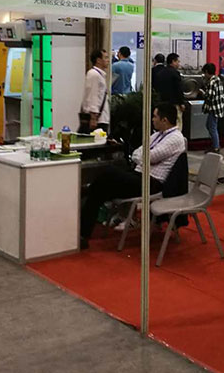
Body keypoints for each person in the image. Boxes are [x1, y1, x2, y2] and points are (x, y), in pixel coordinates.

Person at [79, 103, 185, 247]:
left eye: (155, 116)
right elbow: (137, 153)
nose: (152, 119)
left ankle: (87, 194)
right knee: (100, 188)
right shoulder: (157, 135)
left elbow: (148, 157)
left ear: (164, 120)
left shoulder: (175, 138)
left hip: (152, 182)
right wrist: (143, 157)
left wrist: (143, 157)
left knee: (109, 172)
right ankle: (83, 234)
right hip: (140, 175)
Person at [154, 52, 186, 132]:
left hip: (163, 102)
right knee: (177, 123)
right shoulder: (175, 73)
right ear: (173, 61)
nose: (178, 64)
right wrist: (181, 103)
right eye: (178, 61)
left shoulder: (161, 73)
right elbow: (178, 89)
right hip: (174, 103)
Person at [79, 49, 109, 134]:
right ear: (98, 60)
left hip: (101, 118)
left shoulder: (99, 75)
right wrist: (93, 118)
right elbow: (93, 96)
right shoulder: (94, 75)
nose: (108, 60)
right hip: (97, 119)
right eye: (106, 58)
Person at [201, 62, 224, 152]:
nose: (204, 75)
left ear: (207, 72)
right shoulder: (218, 79)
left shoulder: (212, 82)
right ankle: (215, 145)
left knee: (212, 127)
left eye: (204, 73)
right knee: (210, 126)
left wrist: (203, 93)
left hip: (213, 108)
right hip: (218, 107)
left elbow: (210, 96)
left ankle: (216, 147)